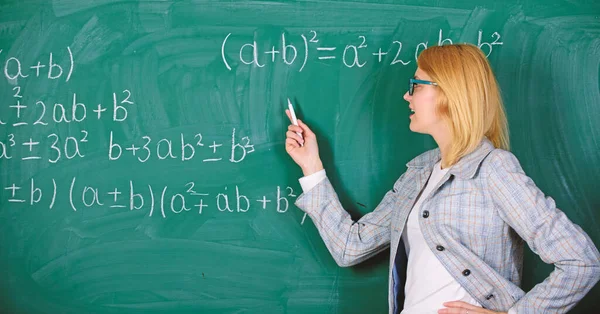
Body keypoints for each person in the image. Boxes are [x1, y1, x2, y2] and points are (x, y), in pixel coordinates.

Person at [284, 43, 600, 314]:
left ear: (450, 93)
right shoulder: (418, 173)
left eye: (417, 85)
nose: (407, 97)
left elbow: (581, 261)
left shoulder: (494, 169)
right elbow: (349, 248)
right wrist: (311, 166)